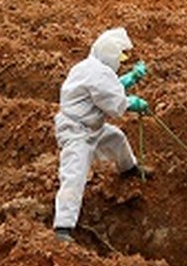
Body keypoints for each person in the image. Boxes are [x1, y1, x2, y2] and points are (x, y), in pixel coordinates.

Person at [53, 27, 151, 243]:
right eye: (120, 56)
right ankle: (63, 227)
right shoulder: (97, 73)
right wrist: (133, 103)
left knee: (116, 139)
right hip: (76, 132)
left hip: (92, 127)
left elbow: (108, 87)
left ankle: (129, 168)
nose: (121, 60)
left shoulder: (90, 67)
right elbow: (114, 104)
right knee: (74, 174)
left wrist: (129, 79)